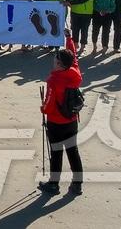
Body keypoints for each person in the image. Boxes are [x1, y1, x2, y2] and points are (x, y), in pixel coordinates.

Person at [39, 32, 84, 196]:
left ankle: (53, 184)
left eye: (55, 59)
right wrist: (69, 40)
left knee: (56, 153)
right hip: (71, 120)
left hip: (56, 123)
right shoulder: (75, 73)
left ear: (59, 64)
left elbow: (49, 105)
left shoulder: (54, 80)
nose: (53, 61)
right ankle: (77, 184)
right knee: (73, 151)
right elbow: (74, 57)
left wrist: (43, 109)